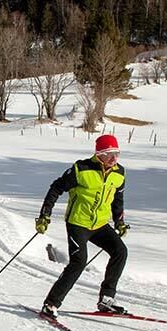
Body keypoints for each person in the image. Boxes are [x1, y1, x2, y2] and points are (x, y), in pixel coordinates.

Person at [34, 134, 130, 316]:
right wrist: (45, 215)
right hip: (78, 223)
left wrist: (119, 221)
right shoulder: (81, 169)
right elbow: (56, 188)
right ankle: (51, 304)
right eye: (109, 153)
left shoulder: (119, 173)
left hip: (100, 224)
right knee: (79, 262)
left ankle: (106, 299)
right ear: (99, 154)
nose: (114, 158)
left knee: (120, 251)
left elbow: (118, 199)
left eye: (117, 153)